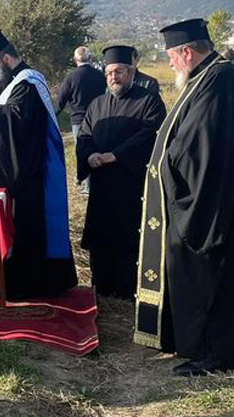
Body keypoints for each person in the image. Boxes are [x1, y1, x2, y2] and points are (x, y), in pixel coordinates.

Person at [134, 18, 234, 376]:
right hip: (198, 195)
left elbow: (198, 144)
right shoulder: (207, 77)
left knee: (207, 278)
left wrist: (168, 165)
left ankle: (211, 353)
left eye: (172, 56)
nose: (170, 63)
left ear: (187, 52)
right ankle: (194, 343)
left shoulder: (220, 79)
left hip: (207, 202)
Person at [0, 30, 78, 300]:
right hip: (23, 167)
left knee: (31, 227)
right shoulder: (15, 84)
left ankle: (34, 285)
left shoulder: (27, 83)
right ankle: (20, 281)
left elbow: (15, 119)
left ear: (6, 58)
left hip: (31, 172)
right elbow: (4, 120)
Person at [77, 45, 166, 300]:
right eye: (109, 73)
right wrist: (89, 156)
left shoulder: (149, 101)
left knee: (127, 237)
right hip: (101, 184)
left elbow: (149, 134)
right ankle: (102, 287)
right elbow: (84, 135)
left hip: (130, 183)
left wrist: (116, 155)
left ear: (131, 72)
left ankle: (127, 290)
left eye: (118, 72)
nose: (113, 77)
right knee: (101, 236)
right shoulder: (97, 104)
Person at [55, 46, 106, 193]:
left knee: (83, 151)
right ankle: (95, 182)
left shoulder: (71, 77)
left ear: (75, 59)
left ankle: (86, 184)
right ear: (90, 58)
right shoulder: (100, 75)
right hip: (99, 117)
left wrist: (51, 117)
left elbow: (60, 102)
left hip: (79, 120)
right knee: (97, 150)